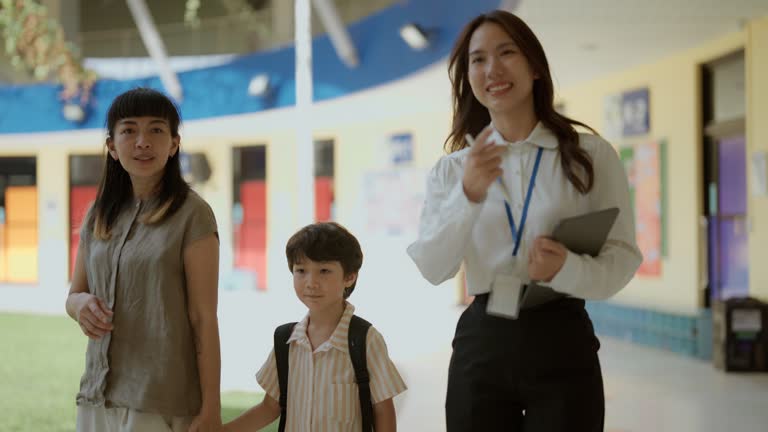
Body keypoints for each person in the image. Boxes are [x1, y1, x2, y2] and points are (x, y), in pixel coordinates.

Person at [407, 10, 642, 432]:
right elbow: (432, 267)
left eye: (506, 53)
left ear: (534, 66)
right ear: (468, 77)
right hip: (482, 338)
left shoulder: (589, 157)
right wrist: (469, 195)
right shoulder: (453, 170)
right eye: (477, 60)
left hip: (561, 333)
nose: (492, 69)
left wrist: (566, 268)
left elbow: (622, 258)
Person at [65, 88, 222, 432]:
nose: (142, 142)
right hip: (98, 394)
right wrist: (80, 306)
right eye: (129, 130)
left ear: (174, 143)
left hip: (160, 399)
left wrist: (211, 406)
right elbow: (75, 293)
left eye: (156, 130)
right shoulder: (97, 215)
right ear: (111, 146)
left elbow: (203, 318)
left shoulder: (193, 214)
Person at [224, 222, 406, 432]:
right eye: (301, 270)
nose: (311, 282)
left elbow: (383, 410)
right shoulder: (286, 342)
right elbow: (269, 408)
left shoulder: (365, 340)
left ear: (349, 277)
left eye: (324, 271)